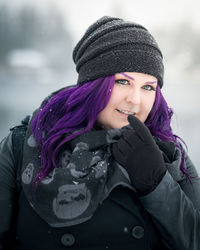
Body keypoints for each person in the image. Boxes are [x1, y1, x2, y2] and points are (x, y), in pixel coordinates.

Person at [0, 16, 200, 250]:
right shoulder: (22, 145)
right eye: (122, 82)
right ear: (92, 85)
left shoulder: (168, 153)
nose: (135, 100)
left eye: (148, 87)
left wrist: (156, 183)